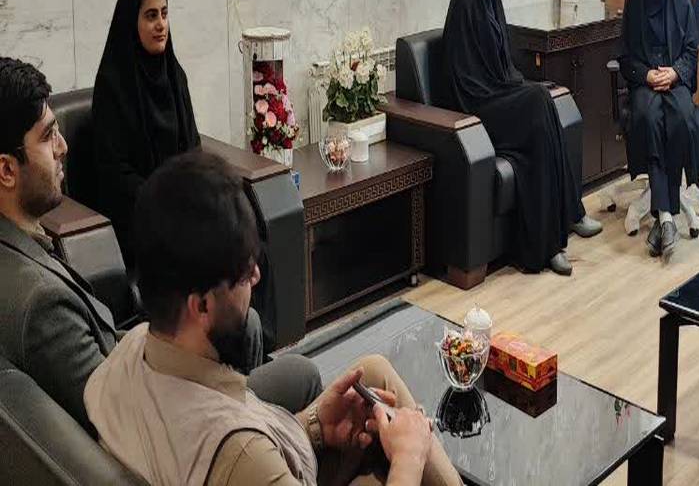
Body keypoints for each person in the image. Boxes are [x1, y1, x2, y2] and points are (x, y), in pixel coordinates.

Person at [85, 150, 462, 486]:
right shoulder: (240, 453)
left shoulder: (131, 351)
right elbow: (244, 460)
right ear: (201, 306)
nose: (256, 277)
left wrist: (316, 425)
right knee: (409, 442)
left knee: (373, 371)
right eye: (243, 274)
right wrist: (408, 459)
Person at [0, 58, 316, 437]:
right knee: (302, 375)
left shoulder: (18, 252)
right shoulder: (41, 307)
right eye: (48, 135)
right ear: (7, 170)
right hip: (169, 426)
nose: (62, 146)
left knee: (243, 327)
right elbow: (119, 423)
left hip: (144, 379)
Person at [441, 0, 601, 277]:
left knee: (543, 103)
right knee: (538, 101)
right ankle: (552, 240)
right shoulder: (463, 9)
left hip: (498, 92)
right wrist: (508, 89)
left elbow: (504, 65)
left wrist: (514, 85)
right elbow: (464, 80)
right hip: (478, 106)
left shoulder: (490, 1)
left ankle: (564, 223)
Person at [92, 0, 200, 268]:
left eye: (164, 14)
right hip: (138, 216)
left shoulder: (175, 75)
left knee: (246, 241)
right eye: (151, 16)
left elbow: (193, 146)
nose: (161, 24)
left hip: (181, 205)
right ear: (132, 22)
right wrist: (163, 198)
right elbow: (115, 174)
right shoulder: (113, 86)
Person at [618, 0, 699, 257]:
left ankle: (663, 218)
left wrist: (675, 72)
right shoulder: (636, 1)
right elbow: (626, 57)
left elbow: (692, 50)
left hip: (674, 76)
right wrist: (646, 74)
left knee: (682, 117)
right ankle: (667, 215)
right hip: (646, 79)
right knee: (648, 116)